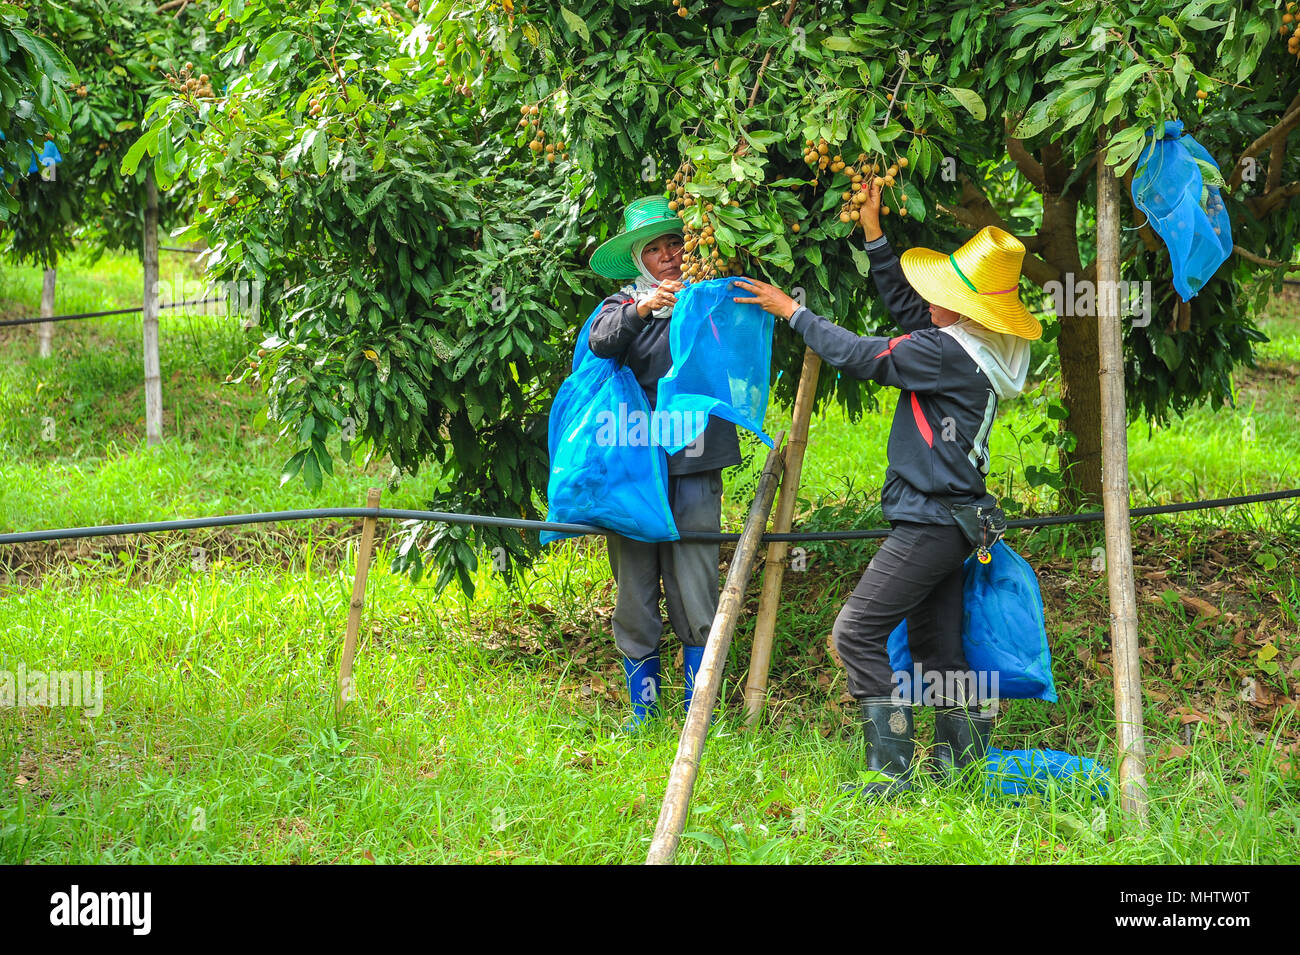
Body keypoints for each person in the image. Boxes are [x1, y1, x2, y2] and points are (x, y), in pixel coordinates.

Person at [732, 180, 1041, 795]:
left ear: (964, 310)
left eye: (944, 295)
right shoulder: (967, 349)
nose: (932, 300)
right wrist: (875, 235)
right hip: (955, 522)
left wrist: (793, 312)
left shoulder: (947, 354)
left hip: (931, 523)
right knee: (935, 646)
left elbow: (866, 355)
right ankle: (962, 767)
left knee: (856, 632)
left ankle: (892, 770)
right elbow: (912, 318)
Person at [586, 195, 743, 731]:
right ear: (639, 262)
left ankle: (700, 718)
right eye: (654, 249)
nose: (669, 256)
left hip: (696, 464)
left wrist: (696, 309)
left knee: (697, 586)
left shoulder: (712, 300)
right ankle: (643, 715)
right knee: (634, 590)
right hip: (633, 471)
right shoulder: (619, 307)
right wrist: (646, 307)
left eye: (675, 243)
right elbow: (602, 343)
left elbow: (737, 351)